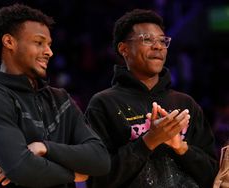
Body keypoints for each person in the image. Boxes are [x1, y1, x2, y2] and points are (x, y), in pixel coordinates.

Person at [0, 3, 110, 188]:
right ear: (9, 42)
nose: (49, 52)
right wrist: (75, 175)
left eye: (49, 45)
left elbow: (100, 159)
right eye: (39, 42)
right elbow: (22, 168)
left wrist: (44, 148)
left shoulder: (60, 98)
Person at [85, 9, 218, 188]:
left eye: (162, 40)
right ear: (123, 49)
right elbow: (98, 180)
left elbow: (212, 177)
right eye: (147, 39)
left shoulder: (186, 104)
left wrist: (181, 147)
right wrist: (149, 140)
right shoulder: (103, 104)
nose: (158, 46)